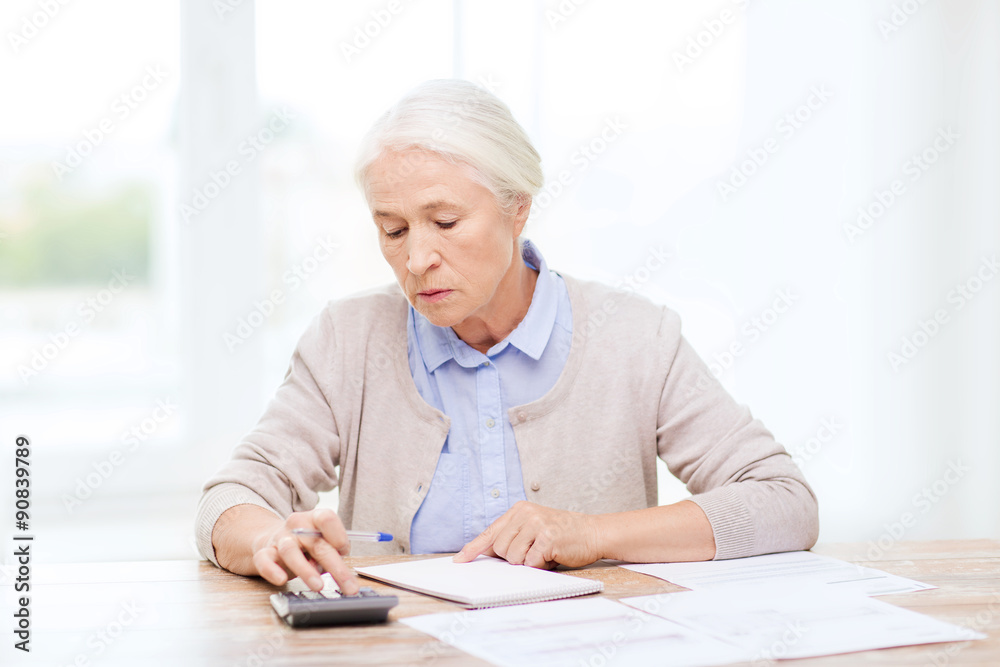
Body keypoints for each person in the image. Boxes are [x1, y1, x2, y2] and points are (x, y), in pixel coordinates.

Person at [195, 79, 818, 596]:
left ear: (517, 207)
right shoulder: (347, 339)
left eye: (444, 221)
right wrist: (268, 538)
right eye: (392, 230)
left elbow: (784, 502)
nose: (416, 259)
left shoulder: (636, 337)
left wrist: (592, 535)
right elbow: (232, 497)